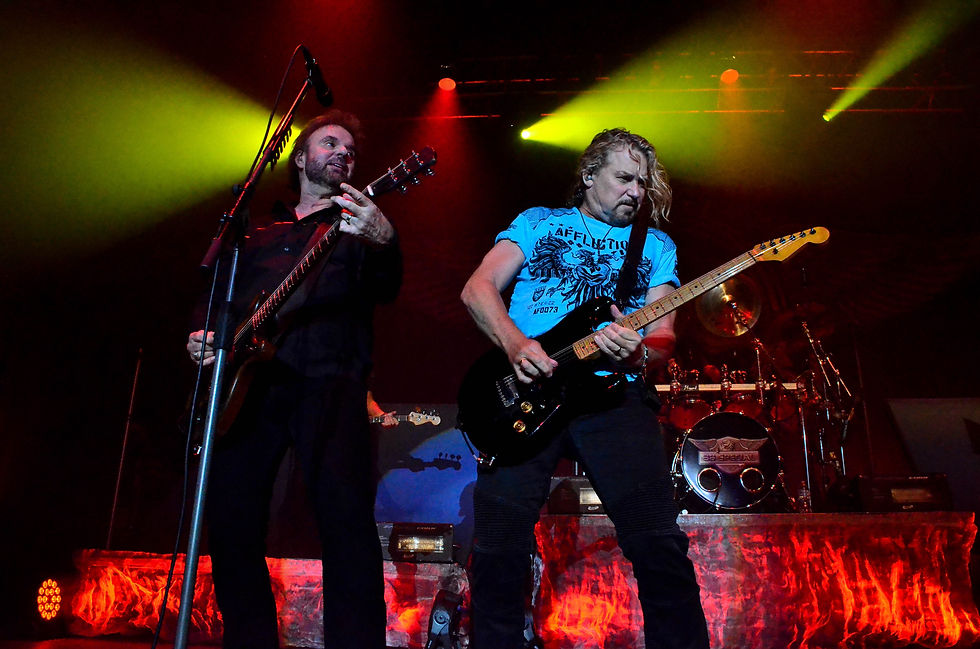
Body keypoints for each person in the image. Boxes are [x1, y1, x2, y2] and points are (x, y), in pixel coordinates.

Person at [459, 128, 710, 648]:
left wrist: (639, 353)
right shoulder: (538, 223)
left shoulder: (655, 245)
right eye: (624, 178)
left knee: (657, 541)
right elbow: (477, 288)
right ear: (590, 175)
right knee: (499, 546)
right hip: (527, 391)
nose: (635, 192)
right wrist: (516, 345)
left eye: (643, 183)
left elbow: (663, 335)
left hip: (613, 397)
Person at [186, 109, 401, 649]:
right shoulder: (256, 232)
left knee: (345, 522)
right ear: (301, 158)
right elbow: (218, 300)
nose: (343, 153)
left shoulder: (357, 228)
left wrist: (385, 237)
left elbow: (388, 287)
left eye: (350, 149)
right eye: (330, 143)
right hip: (249, 387)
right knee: (232, 521)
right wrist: (203, 335)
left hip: (331, 383)